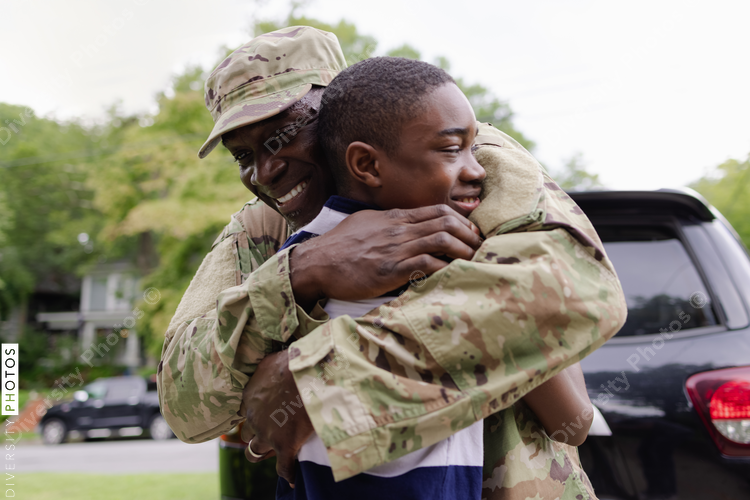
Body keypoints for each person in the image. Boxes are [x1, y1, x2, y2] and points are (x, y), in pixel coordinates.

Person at [157, 26, 626, 499]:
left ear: (341, 107)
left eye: (284, 133)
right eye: (243, 155)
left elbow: (577, 296)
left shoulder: (466, 172)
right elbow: (184, 405)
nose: (265, 169)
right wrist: (301, 271)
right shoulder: (263, 230)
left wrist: (318, 380)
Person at [266, 55, 597, 500]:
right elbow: (571, 419)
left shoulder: (292, 262)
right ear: (367, 165)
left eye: (473, 148)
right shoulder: (453, 262)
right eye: (450, 149)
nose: (477, 170)